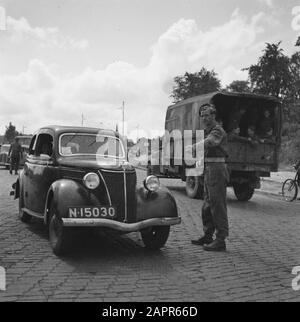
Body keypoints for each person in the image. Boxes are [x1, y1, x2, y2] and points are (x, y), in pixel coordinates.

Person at [190, 103, 229, 251]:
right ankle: (208, 235)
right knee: (207, 205)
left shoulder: (217, 130)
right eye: (203, 116)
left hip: (217, 169)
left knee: (217, 205)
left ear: (214, 116)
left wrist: (195, 146)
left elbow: (211, 142)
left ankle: (221, 240)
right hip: (209, 169)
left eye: (208, 115)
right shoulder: (208, 130)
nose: (205, 118)